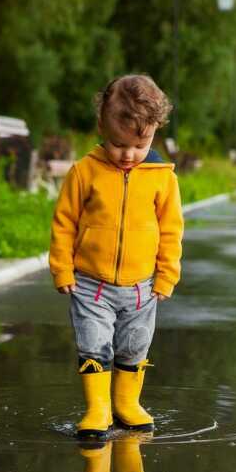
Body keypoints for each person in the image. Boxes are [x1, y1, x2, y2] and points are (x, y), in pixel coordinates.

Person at [49, 74, 184, 439]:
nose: (128, 154)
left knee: (134, 345)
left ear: (154, 132)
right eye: (118, 143)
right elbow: (64, 223)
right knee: (94, 344)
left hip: (142, 287)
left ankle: (127, 403)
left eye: (140, 145)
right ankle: (97, 409)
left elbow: (171, 230)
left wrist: (167, 274)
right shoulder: (84, 173)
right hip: (91, 285)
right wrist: (62, 269)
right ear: (101, 126)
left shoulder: (162, 178)